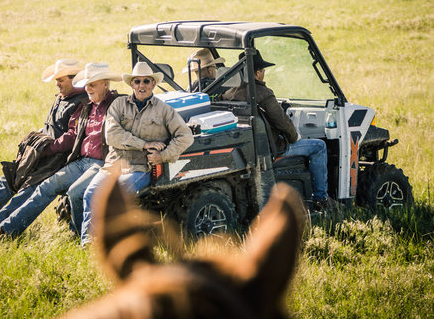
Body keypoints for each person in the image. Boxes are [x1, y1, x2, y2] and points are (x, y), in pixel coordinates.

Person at [0, 63, 122, 238]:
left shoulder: (118, 104)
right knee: (43, 186)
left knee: (74, 191)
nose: (88, 88)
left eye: (92, 84)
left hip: (100, 162)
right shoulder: (87, 105)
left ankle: (78, 234)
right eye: (86, 84)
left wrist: (47, 149)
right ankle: (2, 229)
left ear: (106, 84)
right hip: (80, 161)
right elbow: (72, 131)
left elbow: (72, 136)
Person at [0, 59, 88, 234]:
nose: (56, 84)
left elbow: (72, 136)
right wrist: (34, 142)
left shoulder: (81, 102)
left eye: (61, 80)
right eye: (56, 80)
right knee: (9, 177)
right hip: (43, 153)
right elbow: (51, 126)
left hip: (56, 159)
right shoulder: (62, 97)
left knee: (29, 187)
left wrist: (45, 150)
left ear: (73, 79)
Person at [79, 61, 194, 246]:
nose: (142, 85)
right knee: (91, 193)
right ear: (131, 84)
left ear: (153, 84)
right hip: (113, 165)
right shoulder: (118, 105)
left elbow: (186, 136)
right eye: (137, 81)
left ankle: (113, 245)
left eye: (146, 81)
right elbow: (112, 135)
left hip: (140, 168)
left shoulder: (164, 110)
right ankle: (89, 244)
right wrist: (144, 144)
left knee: (116, 198)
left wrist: (163, 156)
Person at [222, 50, 335, 210]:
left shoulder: (228, 94)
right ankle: (321, 198)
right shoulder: (262, 93)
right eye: (263, 71)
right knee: (319, 147)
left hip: (248, 150)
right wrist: (295, 137)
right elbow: (283, 123)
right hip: (272, 150)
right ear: (258, 73)